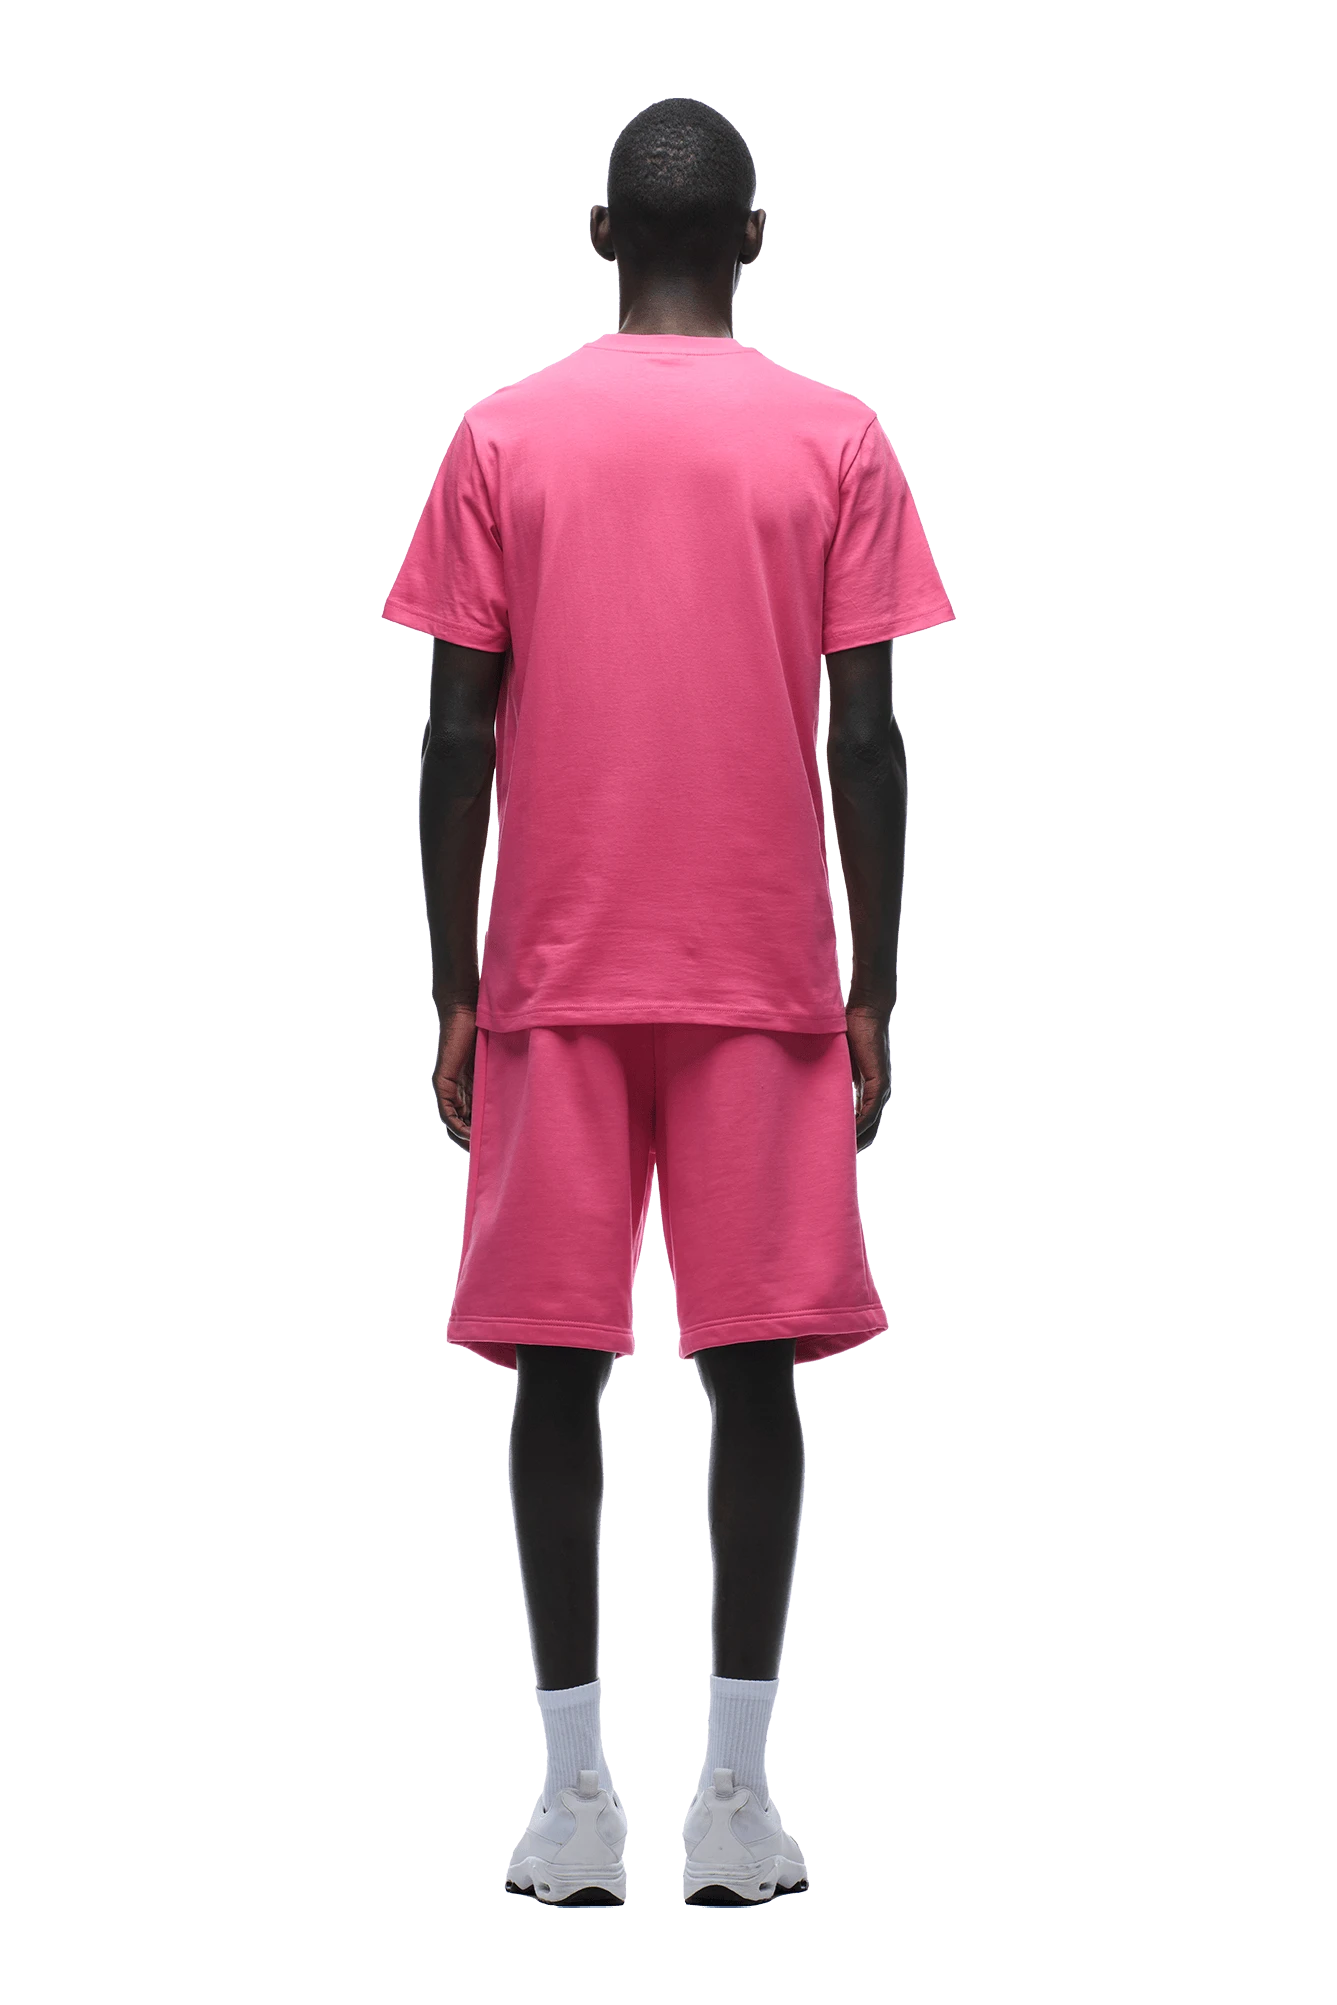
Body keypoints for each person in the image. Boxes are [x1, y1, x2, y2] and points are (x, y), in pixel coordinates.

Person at [381, 96, 956, 1907]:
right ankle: (736, 1800)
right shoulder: (838, 436)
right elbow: (868, 742)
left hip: (553, 968)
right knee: (755, 1368)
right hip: (764, 972)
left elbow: (453, 735)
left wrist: (454, 984)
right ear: (755, 240)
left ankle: (571, 1805)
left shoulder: (501, 432)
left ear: (599, 235)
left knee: (557, 1366)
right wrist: (875, 988)